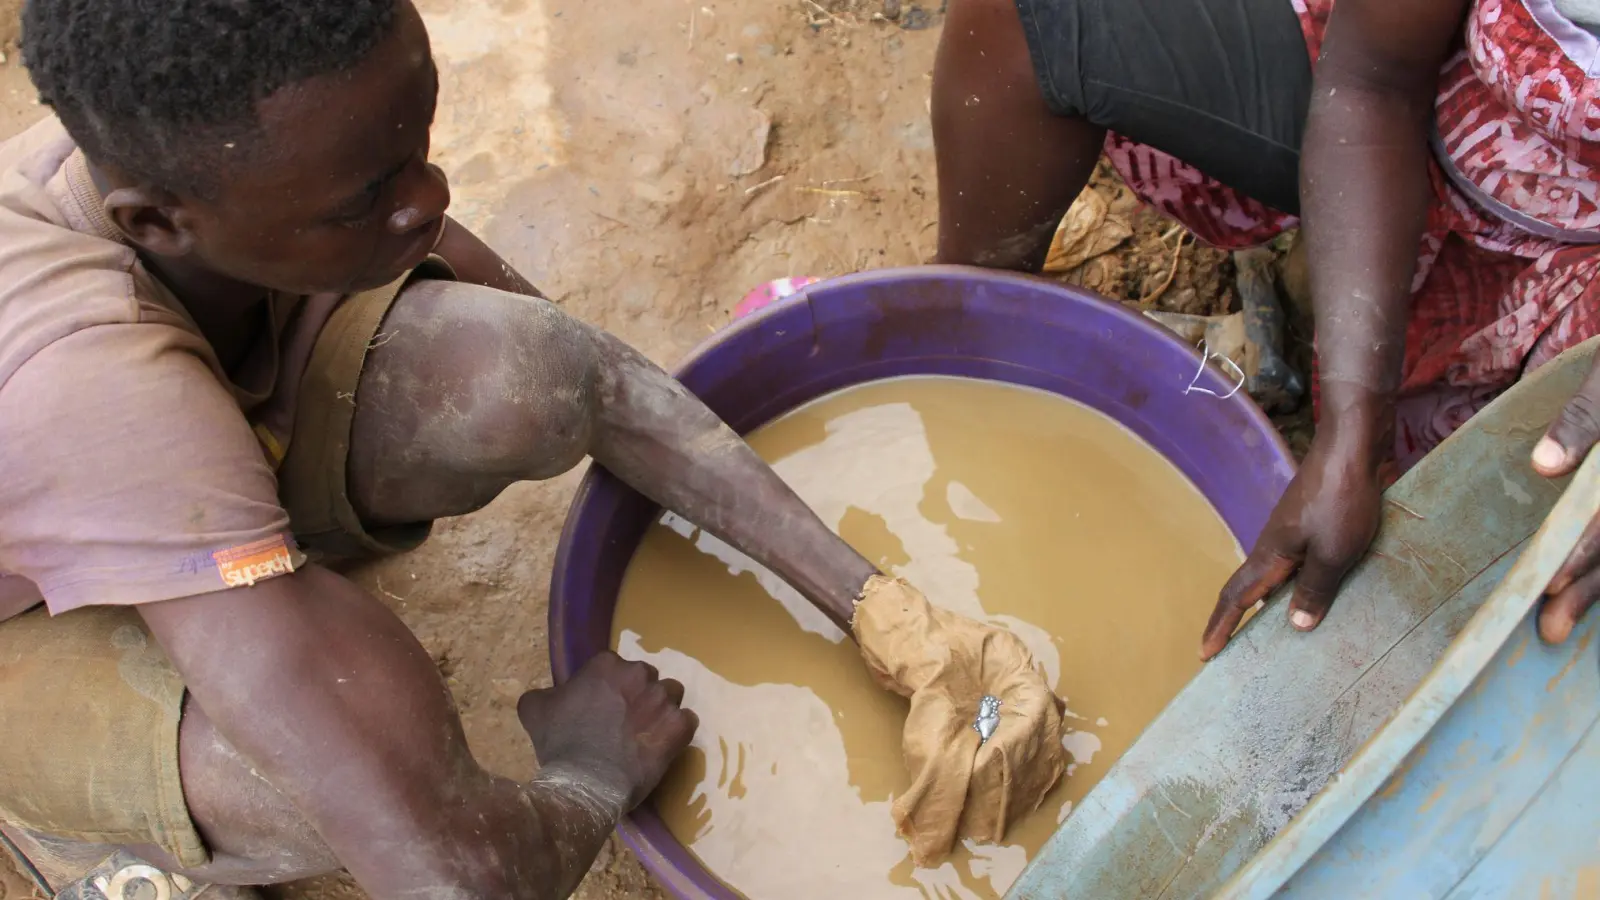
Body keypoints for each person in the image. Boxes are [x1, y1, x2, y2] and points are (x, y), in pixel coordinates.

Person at [0, 1, 906, 897]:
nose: (429, 199)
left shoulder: (226, 159)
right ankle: (83, 803)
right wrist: (591, 773)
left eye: (417, 145)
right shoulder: (95, 383)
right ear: (155, 225)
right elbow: (457, 879)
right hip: (28, 617)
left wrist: (878, 608)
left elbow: (582, 374)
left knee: (525, 374)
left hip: (172, 451)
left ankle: (242, 557)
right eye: (365, 199)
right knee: (305, 781)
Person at [931, 0, 1600, 658]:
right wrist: (1351, 428)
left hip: (1580, 252)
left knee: (1526, 578)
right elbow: (1375, 82)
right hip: (1421, 96)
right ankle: (951, 351)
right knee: (1036, 19)